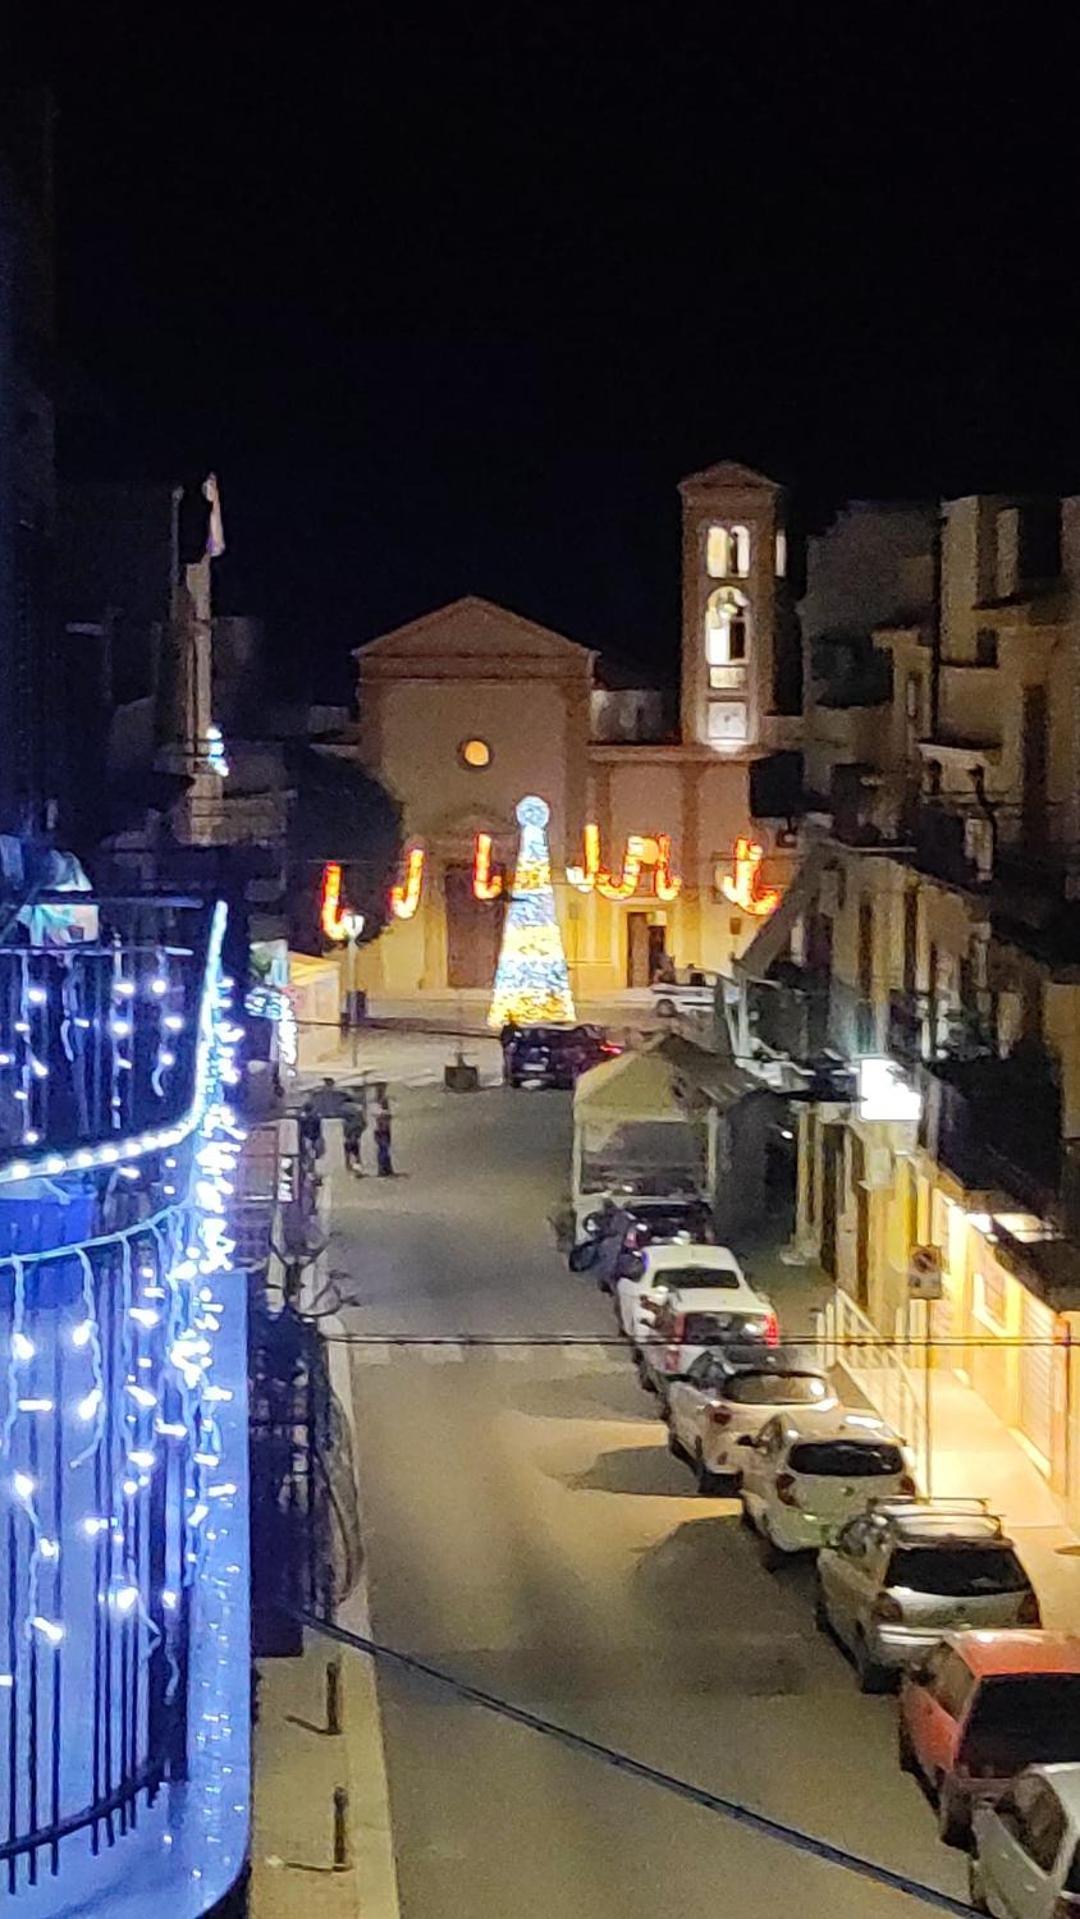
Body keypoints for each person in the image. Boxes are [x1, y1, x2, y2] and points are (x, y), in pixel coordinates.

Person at [372, 1082, 395, 1177]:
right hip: (382, 1130)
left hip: (382, 1130)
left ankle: (384, 1168)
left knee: (384, 1149)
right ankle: (384, 1168)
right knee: (384, 1149)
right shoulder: (382, 1114)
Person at [342, 1092, 367, 1176]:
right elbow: (363, 1123)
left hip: (348, 1133)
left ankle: (349, 1167)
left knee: (348, 1152)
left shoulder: (344, 1109)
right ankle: (357, 1169)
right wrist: (360, 1130)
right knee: (356, 1153)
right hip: (355, 1133)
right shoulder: (358, 1109)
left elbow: (344, 1123)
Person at [499, 1016, 520, 1084]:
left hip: (507, 1048)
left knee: (507, 1064)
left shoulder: (506, 1028)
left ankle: (507, 1079)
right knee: (510, 1064)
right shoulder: (516, 1028)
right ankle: (509, 1078)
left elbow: (501, 1038)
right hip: (511, 1049)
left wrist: (504, 1045)